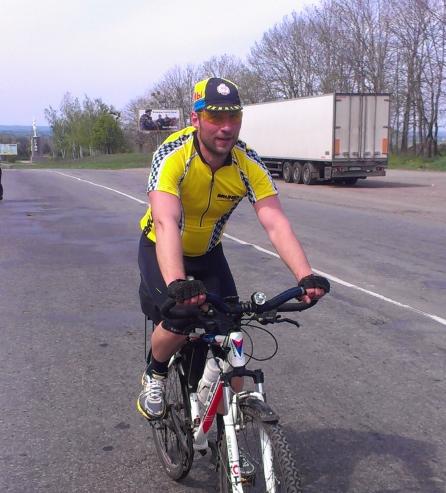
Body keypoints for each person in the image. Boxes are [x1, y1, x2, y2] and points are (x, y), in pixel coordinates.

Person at [136, 77, 330, 420]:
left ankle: (231, 419)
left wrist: (305, 276)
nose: (226, 127)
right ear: (196, 119)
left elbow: (275, 222)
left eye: (234, 116)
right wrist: (177, 283)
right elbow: (165, 221)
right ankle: (155, 373)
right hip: (161, 248)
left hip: (209, 255)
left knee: (231, 331)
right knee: (180, 318)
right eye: (215, 116)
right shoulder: (173, 153)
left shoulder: (247, 161)